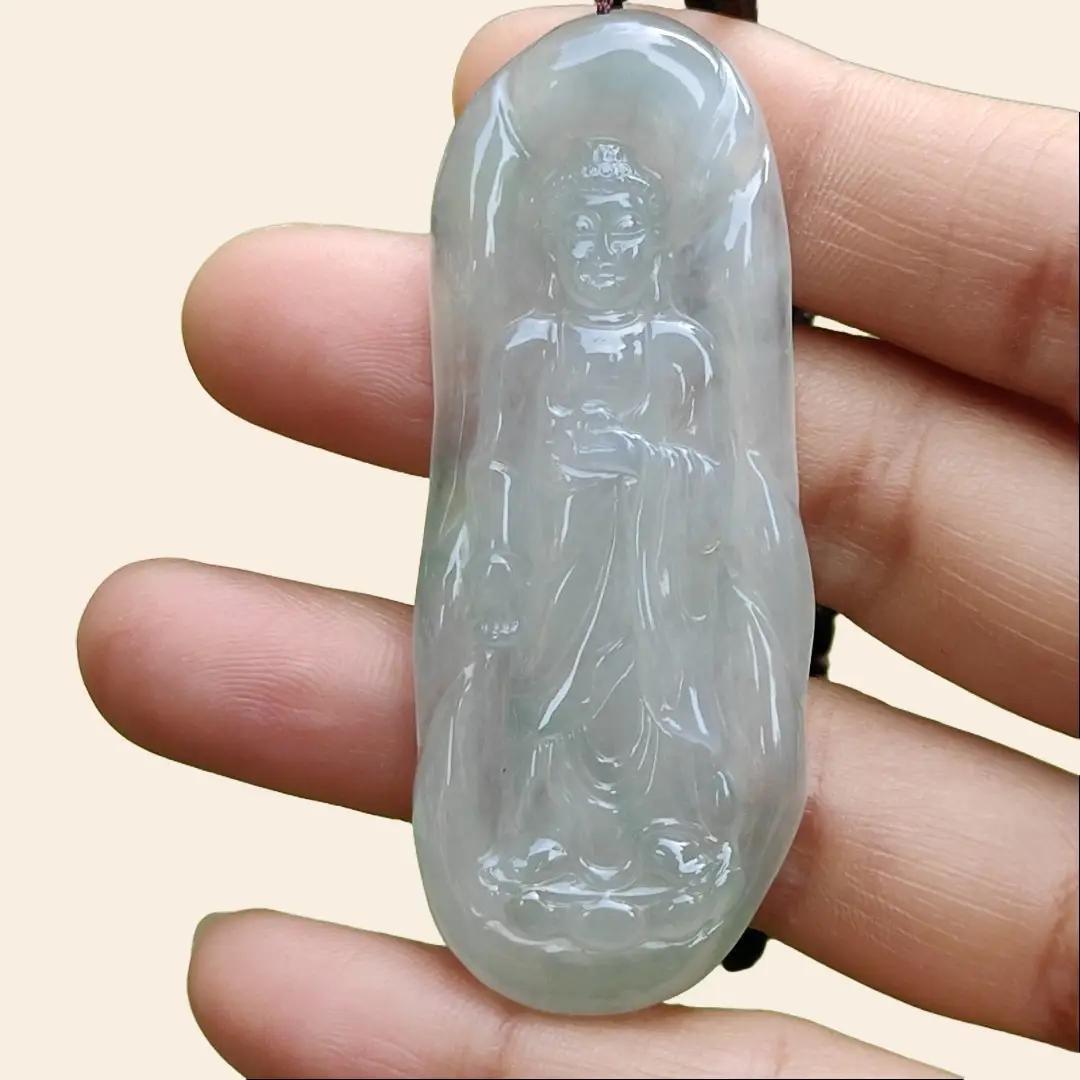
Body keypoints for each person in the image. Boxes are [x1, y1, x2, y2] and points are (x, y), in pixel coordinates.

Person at [77, 6, 1078, 1076]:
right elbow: (498, 468)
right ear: (555, 243)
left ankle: (659, 842)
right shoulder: (526, 342)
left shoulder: (681, 346)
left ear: (653, 239)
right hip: (559, 557)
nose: (604, 251)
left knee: (643, 704)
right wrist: (504, 563)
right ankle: (547, 842)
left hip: (644, 561)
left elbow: (718, 470)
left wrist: (645, 467)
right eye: (584, 233)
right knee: (545, 711)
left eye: (623, 231)